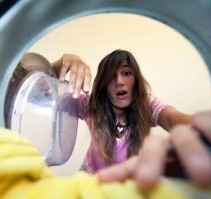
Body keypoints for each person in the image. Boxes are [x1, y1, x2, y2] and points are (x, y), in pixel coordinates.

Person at [52, 49, 192, 174]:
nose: (119, 81)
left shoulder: (147, 104)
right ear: (103, 84)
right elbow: (43, 93)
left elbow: (171, 118)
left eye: (126, 73)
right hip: (90, 175)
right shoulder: (90, 105)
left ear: (135, 80)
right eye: (111, 76)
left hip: (128, 178)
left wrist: (199, 129)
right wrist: (61, 63)